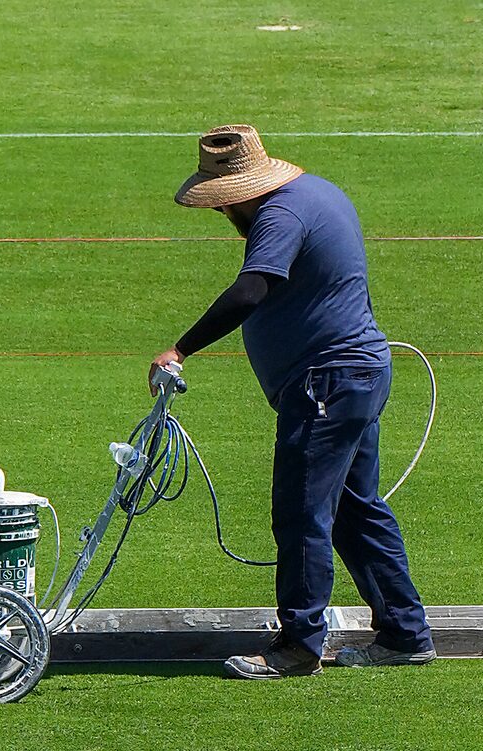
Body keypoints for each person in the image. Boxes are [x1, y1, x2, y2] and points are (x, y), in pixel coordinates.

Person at [148, 125, 432, 680]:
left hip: (326, 384)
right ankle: (404, 633)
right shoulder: (316, 192)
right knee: (355, 509)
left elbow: (253, 289)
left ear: (241, 192)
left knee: (303, 513)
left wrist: (179, 349)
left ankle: (299, 646)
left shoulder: (279, 216)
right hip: (355, 373)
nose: (222, 214)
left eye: (223, 204)